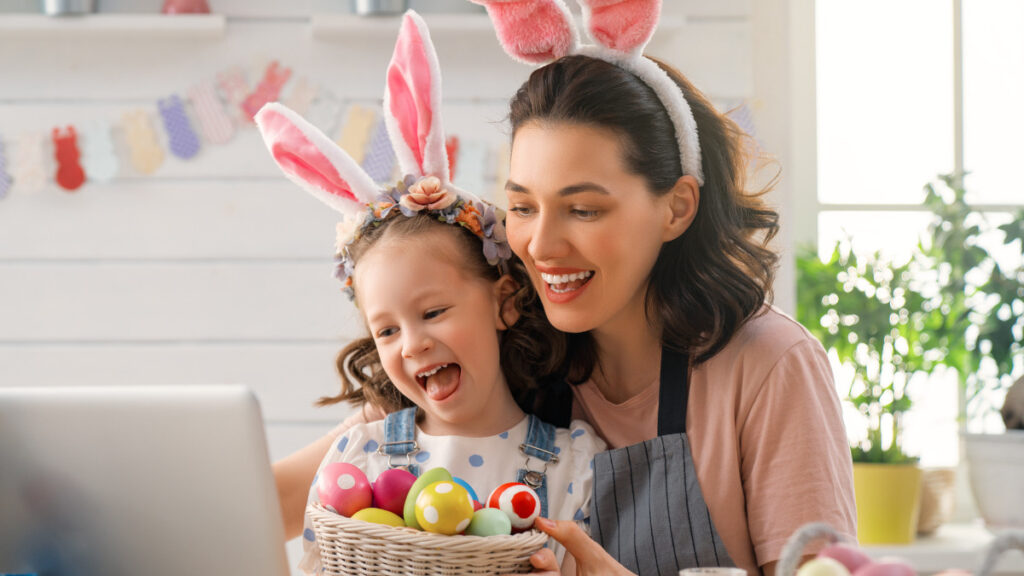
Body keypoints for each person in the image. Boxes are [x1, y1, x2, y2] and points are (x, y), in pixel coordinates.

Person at [468, 1, 858, 575]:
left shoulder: (770, 367)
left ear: (677, 208)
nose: (541, 245)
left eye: (582, 209)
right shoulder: (512, 354)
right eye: (523, 206)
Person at [255, 11, 603, 575]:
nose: (411, 344)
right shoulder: (357, 457)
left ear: (505, 300)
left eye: (433, 312)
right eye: (386, 329)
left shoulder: (576, 462)